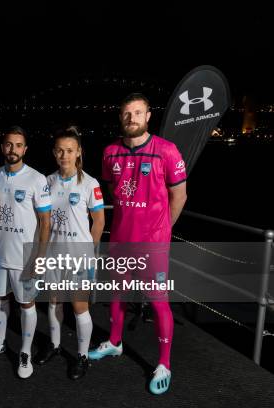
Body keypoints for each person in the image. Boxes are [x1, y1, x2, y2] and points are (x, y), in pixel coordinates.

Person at [88, 93, 187, 395]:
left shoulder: (167, 151)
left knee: (158, 303)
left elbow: (179, 196)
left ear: (148, 117)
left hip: (153, 246)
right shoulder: (109, 153)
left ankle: (164, 363)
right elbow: (112, 188)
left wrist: (161, 231)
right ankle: (115, 343)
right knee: (116, 294)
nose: (131, 118)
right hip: (120, 240)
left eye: (138, 112)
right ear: (120, 118)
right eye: (126, 113)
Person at [34, 126, 104, 380]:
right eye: (60, 151)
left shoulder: (90, 183)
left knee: (79, 306)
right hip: (53, 254)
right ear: (54, 153)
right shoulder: (47, 182)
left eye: (70, 151)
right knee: (54, 301)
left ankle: (82, 356)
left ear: (78, 153)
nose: (65, 155)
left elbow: (99, 222)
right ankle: (54, 345)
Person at [0, 126, 51, 379]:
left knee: (26, 304)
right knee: (0, 300)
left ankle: (24, 351)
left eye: (18, 145)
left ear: (25, 149)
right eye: (8, 144)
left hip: (24, 256)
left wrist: (40, 256)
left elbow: (46, 223)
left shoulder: (37, 179)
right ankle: (1, 342)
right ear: (3, 147)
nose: (12, 149)